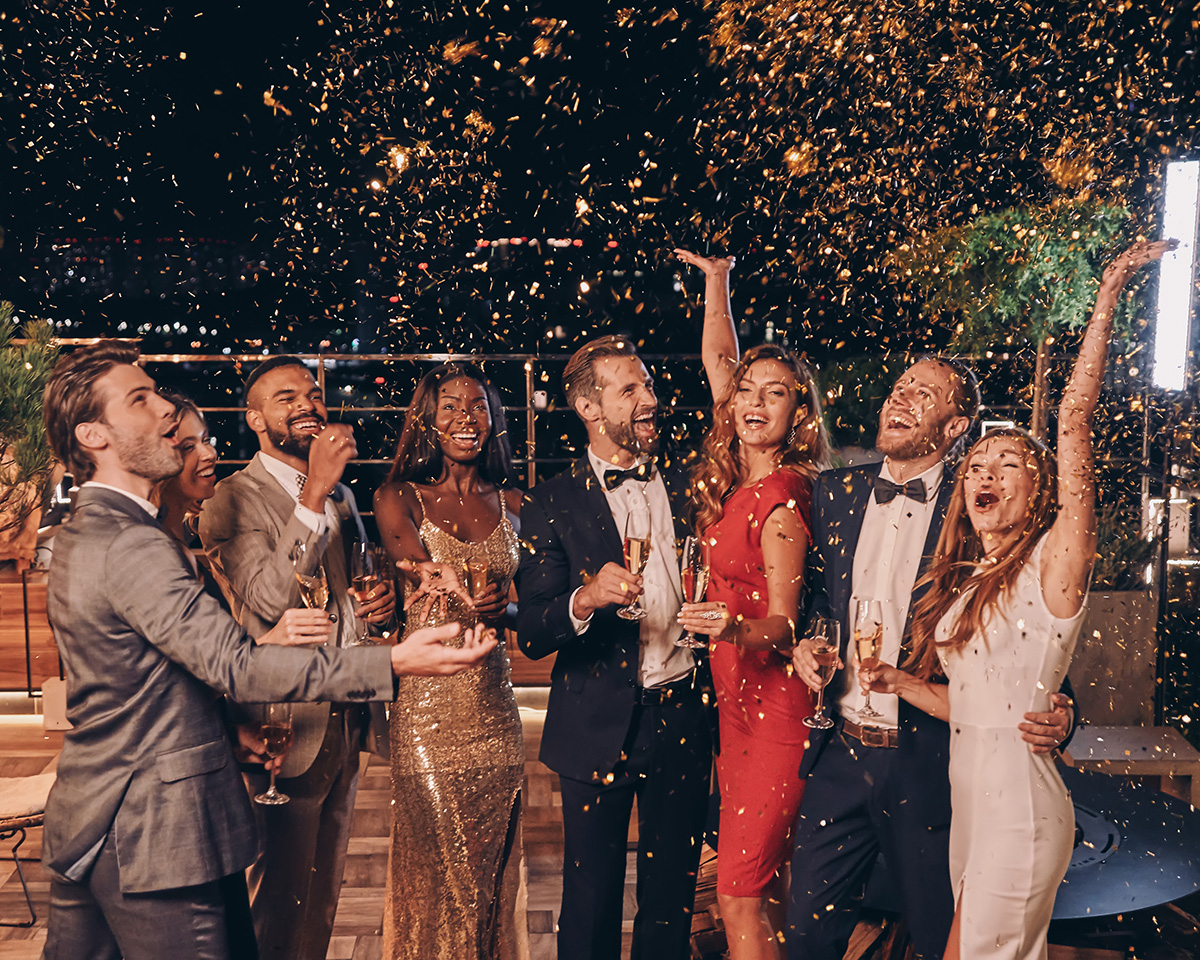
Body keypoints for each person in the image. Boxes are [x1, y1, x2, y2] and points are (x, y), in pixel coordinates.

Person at [39, 342, 496, 960]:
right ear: (93, 435)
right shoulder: (133, 543)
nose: (167, 412)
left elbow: (143, 677)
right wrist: (395, 662)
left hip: (98, 820)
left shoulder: (90, 530)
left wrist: (226, 728)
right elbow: (236, 661)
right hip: (155, 833)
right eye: (140, 399)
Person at [860, 240, 1172, 960]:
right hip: (971, 806)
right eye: (977, 465)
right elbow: (975, 706)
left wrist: (1107, 295)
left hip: (1021, 810)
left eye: (1009, 465)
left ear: (1039, 493)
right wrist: (900, 682)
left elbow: (1075, 417)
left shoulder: (1052, 565)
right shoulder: (972, 578)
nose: (986, 474)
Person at [786, 352, 1075, 960]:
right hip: (840, 751)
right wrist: (808, 641)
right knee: (807, 933)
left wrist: (1065, 710)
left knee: (938, 934)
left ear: (955, 426)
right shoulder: (835, 492)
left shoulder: (977, 501)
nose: (901, 396)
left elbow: (1027, 616)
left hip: (928, 762)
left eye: (924, 393)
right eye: (900, 386)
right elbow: (819, 598)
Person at [515, 335, 713, 960]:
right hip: (595, 723)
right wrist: (585, 598)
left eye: (648, 384)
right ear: (589, 408)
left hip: (683, 714)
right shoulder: (551, 500)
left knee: (672, 896)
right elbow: (533, 629)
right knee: (591, 898)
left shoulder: (691, 483)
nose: (649, 398)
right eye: (629, 389)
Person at [198, 355, 397, 960]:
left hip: (343, 716)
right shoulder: (231, 500)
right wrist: (313, 492)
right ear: (255, 419)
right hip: (281, 727)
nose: (307, 405)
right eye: (286, 398)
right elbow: (268, 601)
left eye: (312, 394)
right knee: (277, 901)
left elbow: (344, 590)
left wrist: (378, 605)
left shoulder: (341, 495)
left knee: (322, 896)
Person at [674, 249, 830, 960]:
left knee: (737, 893)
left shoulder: (782, 497)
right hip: (734, 704)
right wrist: (718, 285)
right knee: (766, 886)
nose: (754, 403)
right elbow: (720, 362)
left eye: (775, 394)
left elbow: (785, 625)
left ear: (798, 414)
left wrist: (731, 626)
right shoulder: (739, 474)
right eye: (746, 392)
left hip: (775, 708)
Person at [373, 362, 528, 960]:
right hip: (429, 712)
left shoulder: (514, 500)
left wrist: (508, 608)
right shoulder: (398, 497)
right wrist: (441, 577)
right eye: (451, 407)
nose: (466, 418)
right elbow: (412, 565)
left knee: (490, 874)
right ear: (427, 420)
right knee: (433, 872)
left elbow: (534, 604)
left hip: (495, 707)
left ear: (494, 419)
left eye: (478, 406)